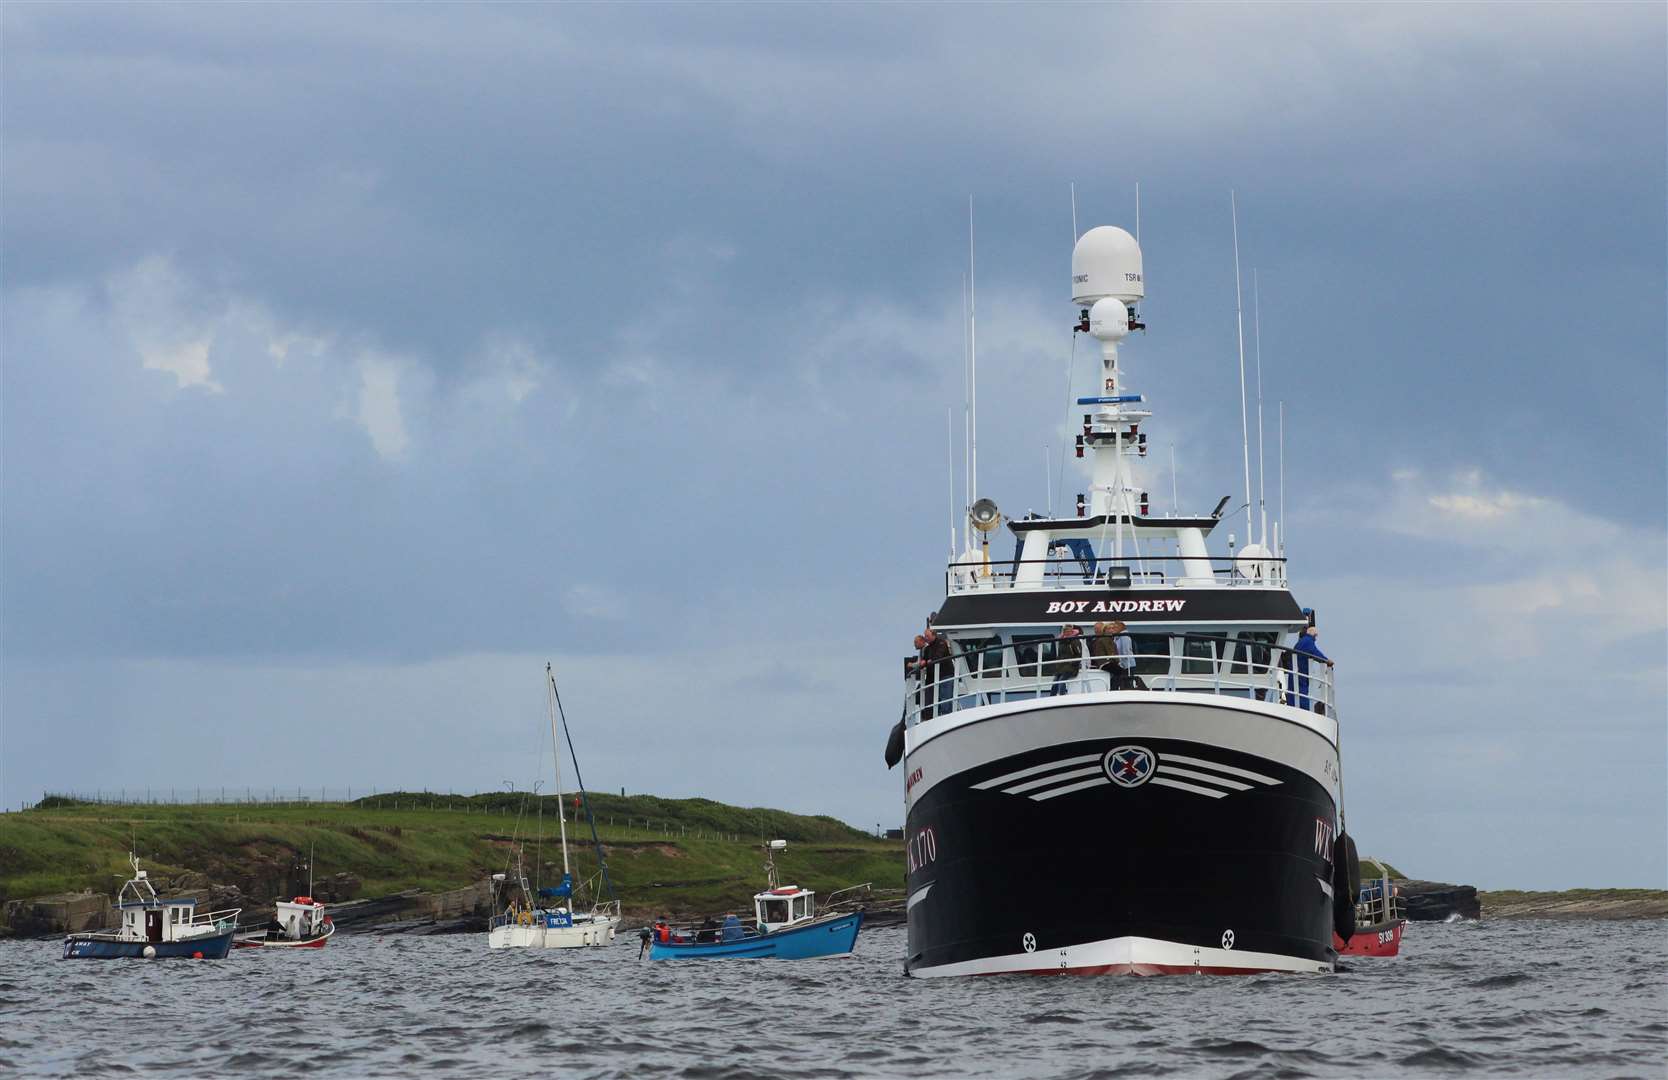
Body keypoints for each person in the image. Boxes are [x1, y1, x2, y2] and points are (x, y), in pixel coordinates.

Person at [1292, 626, 1333, 712]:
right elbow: (1315, 652)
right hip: (1302, 671)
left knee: (1293, 690)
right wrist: (1326, 660)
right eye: (1316, 636)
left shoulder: (1300, 642)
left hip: (1296, 669)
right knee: (1302, 692)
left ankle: (1294, 706)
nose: (1316, 639)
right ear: (1313, 635)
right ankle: (1304, 710)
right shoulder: (1308, 641)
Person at [920, 627, 953, 719]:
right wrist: (924, 662)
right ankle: (933, 719)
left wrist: (927, 661)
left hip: (945, 674)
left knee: (945, 699)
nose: (925, 638)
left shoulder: (941, 643)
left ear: (933, 635)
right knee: (931, 701)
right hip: (933, 677)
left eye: (927, 636)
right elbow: (926, 660)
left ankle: (946, 718)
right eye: (925, 636)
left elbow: (938, 656)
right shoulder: (927, 649)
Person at [1045, 624, 1084, 695]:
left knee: (1061, 680)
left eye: (1069, 631)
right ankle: (1051, 697)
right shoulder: (1061, 641)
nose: (1067, 632)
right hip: (1061, 666)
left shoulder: (1075, 641)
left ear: (1072, 631)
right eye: (1066, 631)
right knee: (1055, 680)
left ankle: (1062, 696)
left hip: (1071, 667)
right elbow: (1060, 655)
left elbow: (1078, 655)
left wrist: (1072, 663)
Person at [1109, 620, 1143, 690]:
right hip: (1123, 665)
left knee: (1127, 684)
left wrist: (1121, 664)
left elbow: (1126, 651)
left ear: (1121, 628)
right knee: (1122, 683)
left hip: (1128, 665)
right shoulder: (1117, 637)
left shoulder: (1124, 637)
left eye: (1115, 627)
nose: (1113, 629)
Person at [1088, 621, 1117, 689]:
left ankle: (1115, 689)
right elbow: (1100, 654)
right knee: (1119, 672)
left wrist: (1116, 660)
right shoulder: (1101, 640)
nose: (1111, 630)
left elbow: (1114, 653)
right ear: (1104, 630)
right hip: (1103, 663)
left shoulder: (1111, 640)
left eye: (1112, 628)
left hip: (1109, 662)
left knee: (1120, 671)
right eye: (1109, 628)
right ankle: (1114, 690)